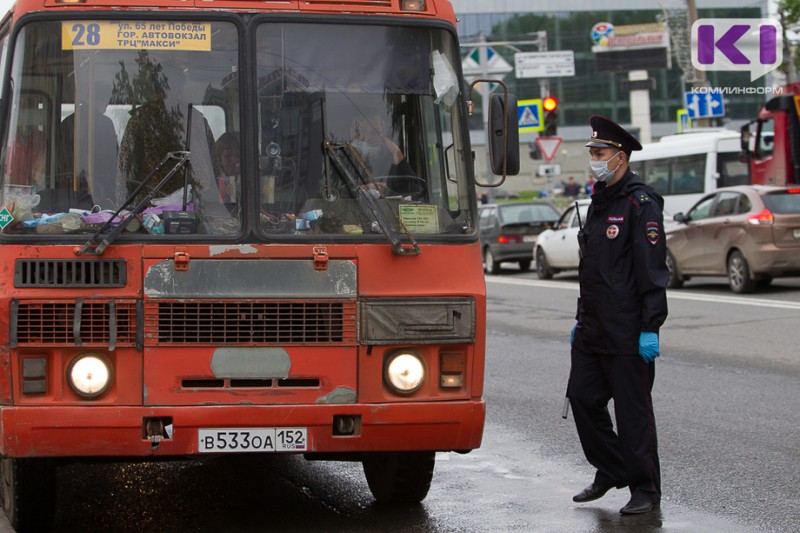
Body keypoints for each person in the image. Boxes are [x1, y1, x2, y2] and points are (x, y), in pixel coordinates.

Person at [568, 115, 668, 516]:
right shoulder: (600, 200)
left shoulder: (640, 203)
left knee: (633, 416)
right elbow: (592, 269)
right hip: (593, 327)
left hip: (628, 331)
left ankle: (645, 489)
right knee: (582, 399)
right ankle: (611, 469)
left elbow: (652, 270)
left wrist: (650, 327)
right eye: (591, 152)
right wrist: (581, 318)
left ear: (620, 157)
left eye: (600, 153)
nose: (594, 158)